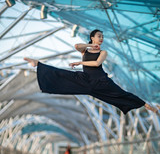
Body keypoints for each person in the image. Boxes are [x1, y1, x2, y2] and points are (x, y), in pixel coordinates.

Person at [24, 29, 158, 115]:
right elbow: (77, 46)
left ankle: (148, 105)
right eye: (99, 36)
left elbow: (96, 63)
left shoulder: (103, 52)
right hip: (85, 80)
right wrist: (89, 45)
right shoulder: (85, 50)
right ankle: (37, 64)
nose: (101, 39)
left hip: (101, 82)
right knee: (62, 73)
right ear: (92, 38)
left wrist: (80, 62)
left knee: (122, 94)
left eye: (102, 37)